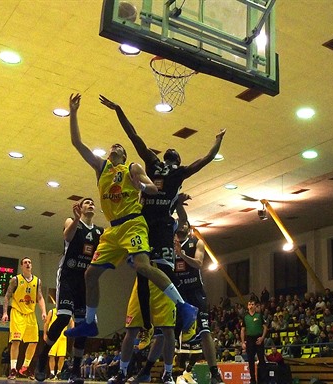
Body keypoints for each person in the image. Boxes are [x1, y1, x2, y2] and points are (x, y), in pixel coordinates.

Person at [64, 93, 197, 339]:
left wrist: (141, 186)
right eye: (113, 146)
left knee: (143, 267)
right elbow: (77, 143)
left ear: (124, 156)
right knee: (90, 274)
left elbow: (153, 187)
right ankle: (91, 322)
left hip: (133, 223)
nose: (115, 147)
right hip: (113, 230)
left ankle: (184, 306)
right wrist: (73, 113)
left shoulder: (131, 168)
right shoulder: (101, 167)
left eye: (120, 147)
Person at [99, 95, 225, 348]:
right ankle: (155, 325)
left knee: (152, 273)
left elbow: (134, 136)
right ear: (176, 160)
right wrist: (217, 142)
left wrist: (119, 110)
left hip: (152, 224)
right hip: (150, 224)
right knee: (147, 273)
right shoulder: (171, 169)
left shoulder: (159, 164)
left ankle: (166, 322)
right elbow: (206, 158)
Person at [35, 198, 103, 384]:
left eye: (92, 203)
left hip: (85, 282)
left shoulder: (99, 232)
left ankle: (75, 371)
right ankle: (42, 357)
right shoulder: (71, 221)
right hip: (68, 277)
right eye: (86, 203)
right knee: (64, 317)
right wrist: (75, 218)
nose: (90, 205)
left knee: (84, 325)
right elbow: (67, 237)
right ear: (80, 208)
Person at [171, 216, 224, 384]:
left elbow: (199, 263)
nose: (182, 226)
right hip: (177, 292)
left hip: (195, 291)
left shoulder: (197, 242)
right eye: (179, 223)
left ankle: (214, 372)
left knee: (205, 331)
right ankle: (171, 372)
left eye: (184, 223)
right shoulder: (169, 243)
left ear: (189, 227)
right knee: (171, 333)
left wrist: (182, 255)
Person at [2, 257, 47, 380]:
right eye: (25, 262)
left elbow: (40, 298)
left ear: (31, 265)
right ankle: (13, 369)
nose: (28, 264)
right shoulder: (15, 280)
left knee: (34, 342)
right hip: (17, 313)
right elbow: (7, 296)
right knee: (16, 341)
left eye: (29, 262)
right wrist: (5, 313)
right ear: (21, 266)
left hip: (30, 314)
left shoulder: (37, 281)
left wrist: (43, 311)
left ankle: (25, 368)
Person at [241, 298, 268, 384]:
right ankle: (253, 380)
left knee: (261, 359)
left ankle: (263, 380)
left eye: (252, 304)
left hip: (258, 338)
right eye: (249, 304)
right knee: (250, 360)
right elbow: (242, 330)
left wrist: (262, 338)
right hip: (249, 339)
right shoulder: (245, 317)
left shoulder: (259, 315)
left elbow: (265, 327)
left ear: (255, 305)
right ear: (247, 306)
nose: (251, 306)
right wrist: (242, 342)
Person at [45, 308, 73, 380]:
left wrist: (72, 330)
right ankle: (52, 373)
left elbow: (71, 321)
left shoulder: (66, 312)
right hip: (53, 336)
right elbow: (47, 323)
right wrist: (45, 334)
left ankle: (59, 372)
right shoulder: (51, 311)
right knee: (52, 355)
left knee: (62, 356)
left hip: (63, 337)